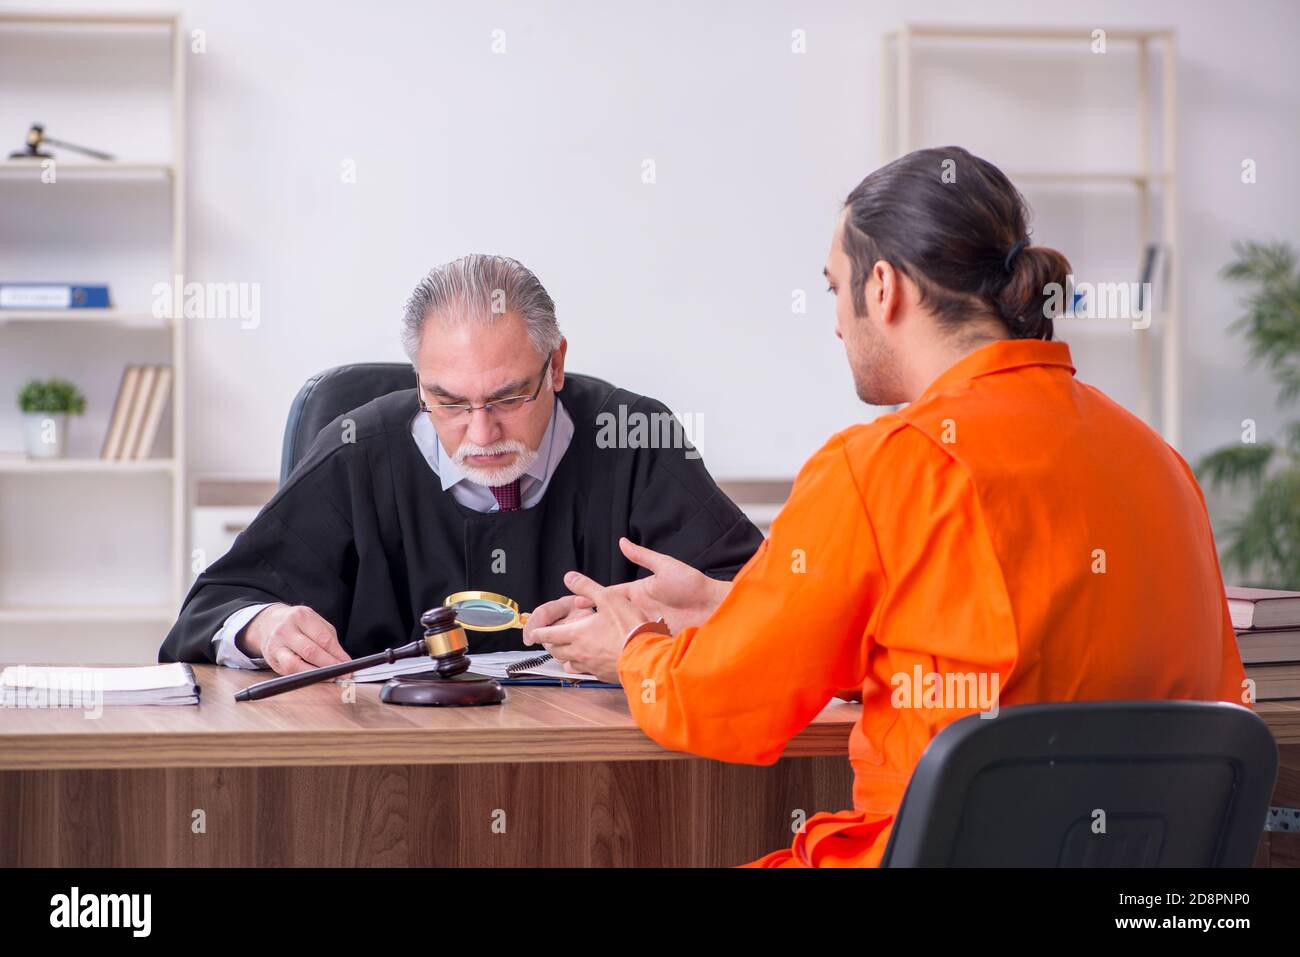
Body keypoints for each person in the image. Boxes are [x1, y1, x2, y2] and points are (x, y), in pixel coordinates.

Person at [523, 147, 1250, 867]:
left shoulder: (885, 463)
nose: (837, 322)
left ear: (883, 287)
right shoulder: (1157, 459)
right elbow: (997, 658)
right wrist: (731, 604)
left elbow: (720, 707)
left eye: (834, 287)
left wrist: (633, 648)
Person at [159, 254, 763, 673]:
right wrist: (264, 625)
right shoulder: (356, 449)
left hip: (596, 768)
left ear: (556, 365)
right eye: (446, 401)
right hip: (386, 778)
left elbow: (762, 603)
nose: (480, 433)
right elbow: (215, 607)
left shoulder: (633, 439)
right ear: (419, 381)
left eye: (507, 397)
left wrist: (650, 623)